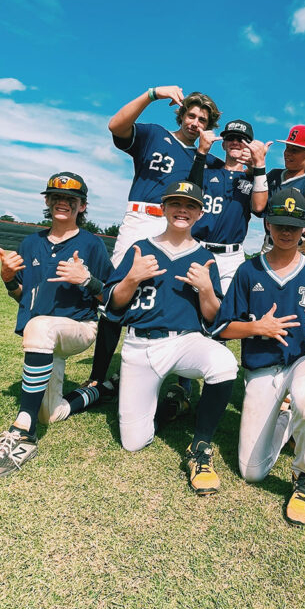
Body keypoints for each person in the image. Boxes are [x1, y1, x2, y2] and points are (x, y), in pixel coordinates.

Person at [79, 87, 222, 411]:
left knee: (184, 293)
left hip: (180, 223)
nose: (196, 122)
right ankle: (98, 377)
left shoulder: (206, 157)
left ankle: (182, 381)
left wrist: (213, 154)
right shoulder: (156, 135)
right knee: (117, 295)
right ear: (181, 114)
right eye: (191, 114)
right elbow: (116, 126)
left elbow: (215, 186)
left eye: (203, 118)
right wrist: (152, 94)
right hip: (142, 217)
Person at [210, 187, 305, 526]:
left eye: (294, 225)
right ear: (267, 224)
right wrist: (258, 328)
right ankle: (285, 421)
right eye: (279, 224)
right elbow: (221, 328)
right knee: (251, 472)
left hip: (302, 360)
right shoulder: (248, 271)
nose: (286, 232)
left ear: (304, 229)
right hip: (262, 367)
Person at [0, 172, 114, 481]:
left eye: (71, 199)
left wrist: (87, 279)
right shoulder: (30, 242)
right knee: (52, 412)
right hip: (44, 336)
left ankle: (23, 426)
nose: (63, 202)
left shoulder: (92, 245)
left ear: (82, 206)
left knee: (39, 327)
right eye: (56, 197)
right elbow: (23, 297)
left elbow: (114, 299)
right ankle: (101, 390)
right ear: (47, 202)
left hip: (80, 328)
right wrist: (8, 279)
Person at [105, 180, 239, 496]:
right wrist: (132, 277)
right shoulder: (139, 248)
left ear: (200, 213)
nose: (182, 210)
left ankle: (200, 445)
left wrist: (206, 289)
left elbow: (212, 317)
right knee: (133, 443)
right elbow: (113, 304)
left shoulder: (205, 257)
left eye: (190, 205)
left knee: (224, 362)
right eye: (176, 203)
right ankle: (174, 404)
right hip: (139, 344)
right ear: (163, 208)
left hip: (184, 342)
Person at [190, 119, 271, 293]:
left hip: (231, 256)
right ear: (224, 144)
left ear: (249, 146)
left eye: (241, 139)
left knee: (226, 308)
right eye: (231, 137)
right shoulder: (207, 172)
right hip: (198, 248)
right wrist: (202, 151)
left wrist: (259, 166)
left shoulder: (253, 179)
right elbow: (190, 196)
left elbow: (259, 207)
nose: (235, 142)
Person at [253, 124, 305, 261]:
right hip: (270, 245)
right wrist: (255, 165)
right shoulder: (273, 175)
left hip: (299, 248)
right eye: (287, 148)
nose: (287, 153)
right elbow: (258, 208)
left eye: (295, 150)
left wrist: (294, 217)